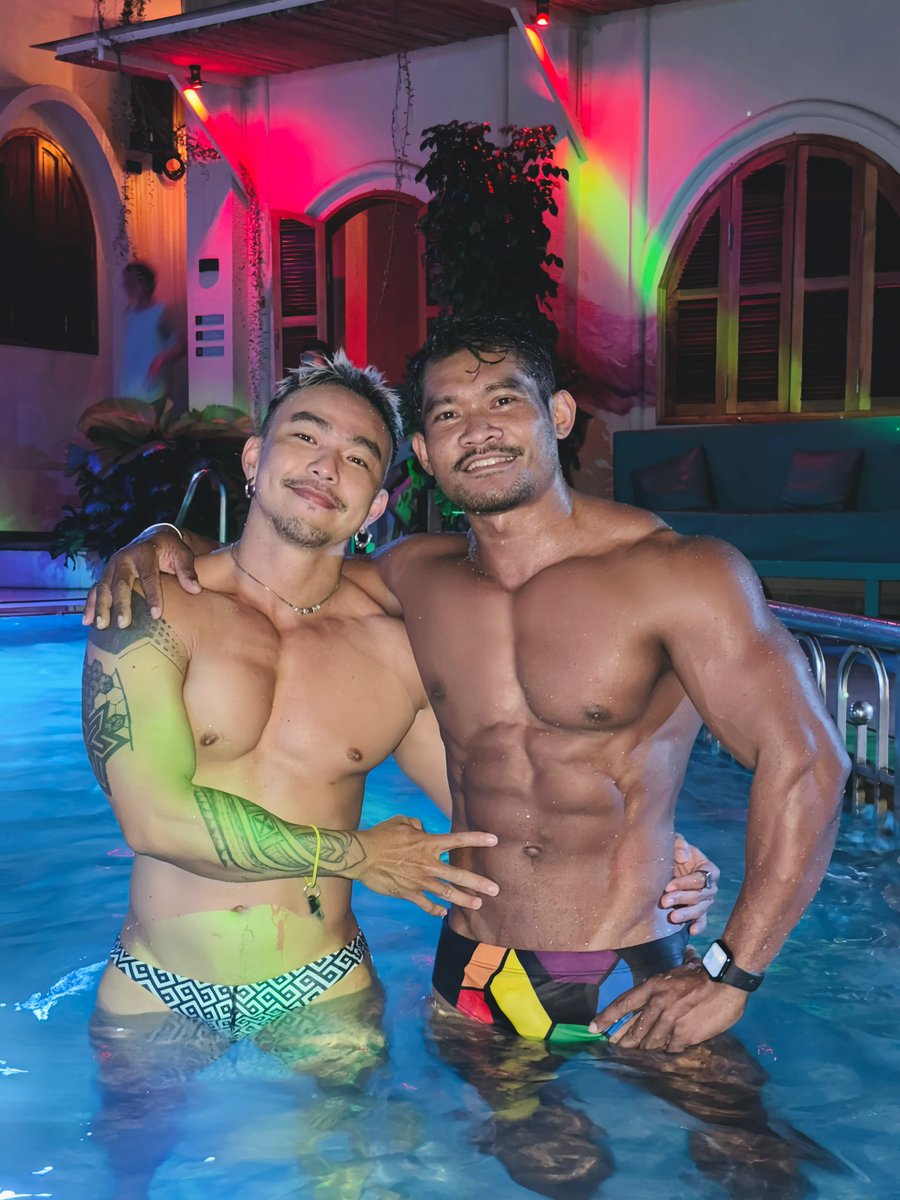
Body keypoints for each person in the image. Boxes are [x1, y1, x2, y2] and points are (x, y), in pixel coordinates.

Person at [84, 350, 715, 1198]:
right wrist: (360, 857)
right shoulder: (151, 604)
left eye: (358, 457)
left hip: (324, 988)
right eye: (306, 437)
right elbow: (154, 819)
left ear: (376, 503)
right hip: (155, 984)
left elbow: (502, 806)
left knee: (357, 1178)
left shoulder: (393, 650)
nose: (326, 466)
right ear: (254, 458)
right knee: (122, 1174)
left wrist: (654, 853)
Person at [117, 261, 187, 402]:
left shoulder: (161, 313)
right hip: (128, 391)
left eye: (132, 282)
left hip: (153, 393)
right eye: (126, 282)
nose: (127, 286)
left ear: (145, 285)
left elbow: (181, 346)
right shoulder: (129, 313)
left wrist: (161, 359)